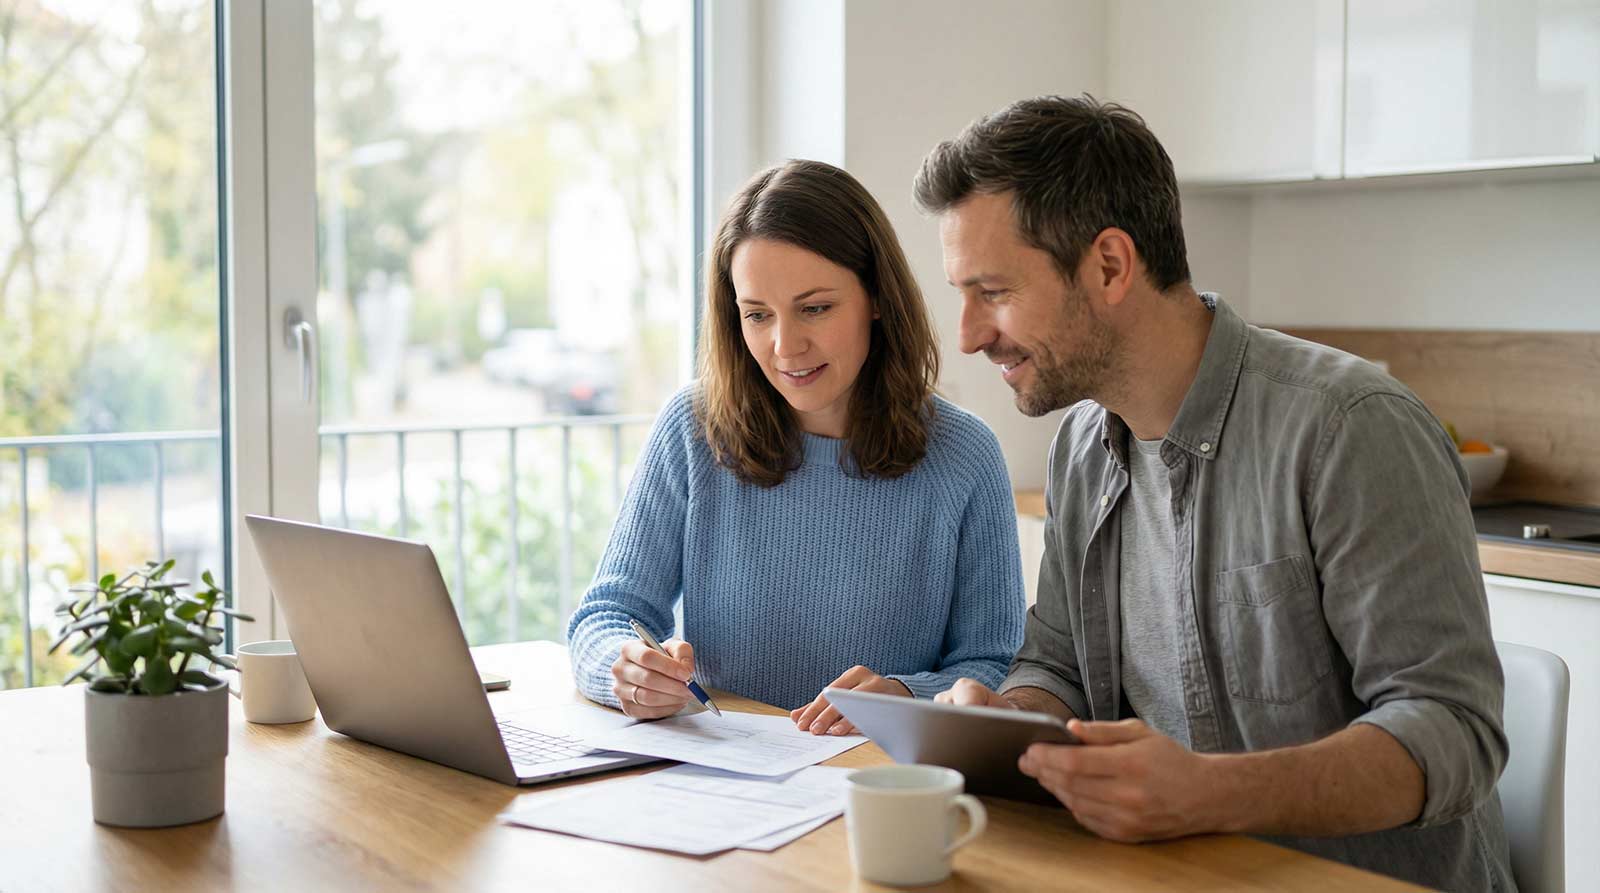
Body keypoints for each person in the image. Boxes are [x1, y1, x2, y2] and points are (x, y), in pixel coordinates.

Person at [915, 96, 1514, 891]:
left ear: (1110, 265)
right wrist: (1008, 718)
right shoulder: (1081, 452)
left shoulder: (1349, 427)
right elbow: (1056, 661)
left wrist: (1208, 792)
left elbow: (1454, 729)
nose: (966, 333)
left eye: (991, 291)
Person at [567, 159, 1025, 735]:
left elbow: (995, 669)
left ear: (877, 298)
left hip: (877, 786)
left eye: (815, 308)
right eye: (757, 315)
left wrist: (906, 695)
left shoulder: (964, 456)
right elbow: (606, 615)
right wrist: (623, 668)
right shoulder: (692, 427)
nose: (785, 346)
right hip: (721, 782)